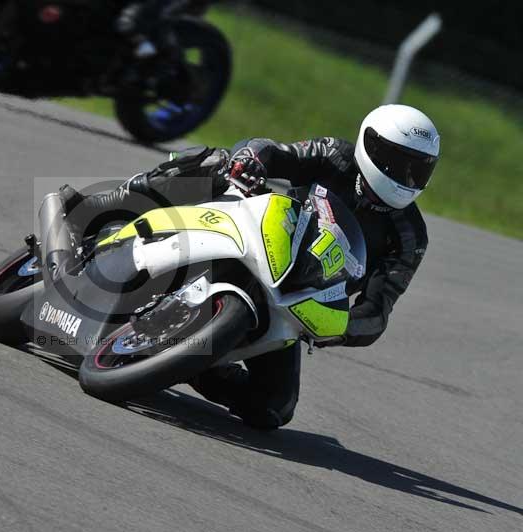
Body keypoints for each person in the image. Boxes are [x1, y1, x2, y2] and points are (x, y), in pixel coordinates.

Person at [59, 104, 439, 429]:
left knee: (274, 407)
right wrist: (250, 160)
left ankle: (201, 362)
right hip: (253, 234)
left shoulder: (410, 237)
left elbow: (377, 310)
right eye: (396, 161)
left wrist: (340, 327)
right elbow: (271, 150)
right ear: (369, 144)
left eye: (417, 170)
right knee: (216, 161)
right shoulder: (335, 155)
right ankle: (96, 209)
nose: (405, 177)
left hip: (293, 295)